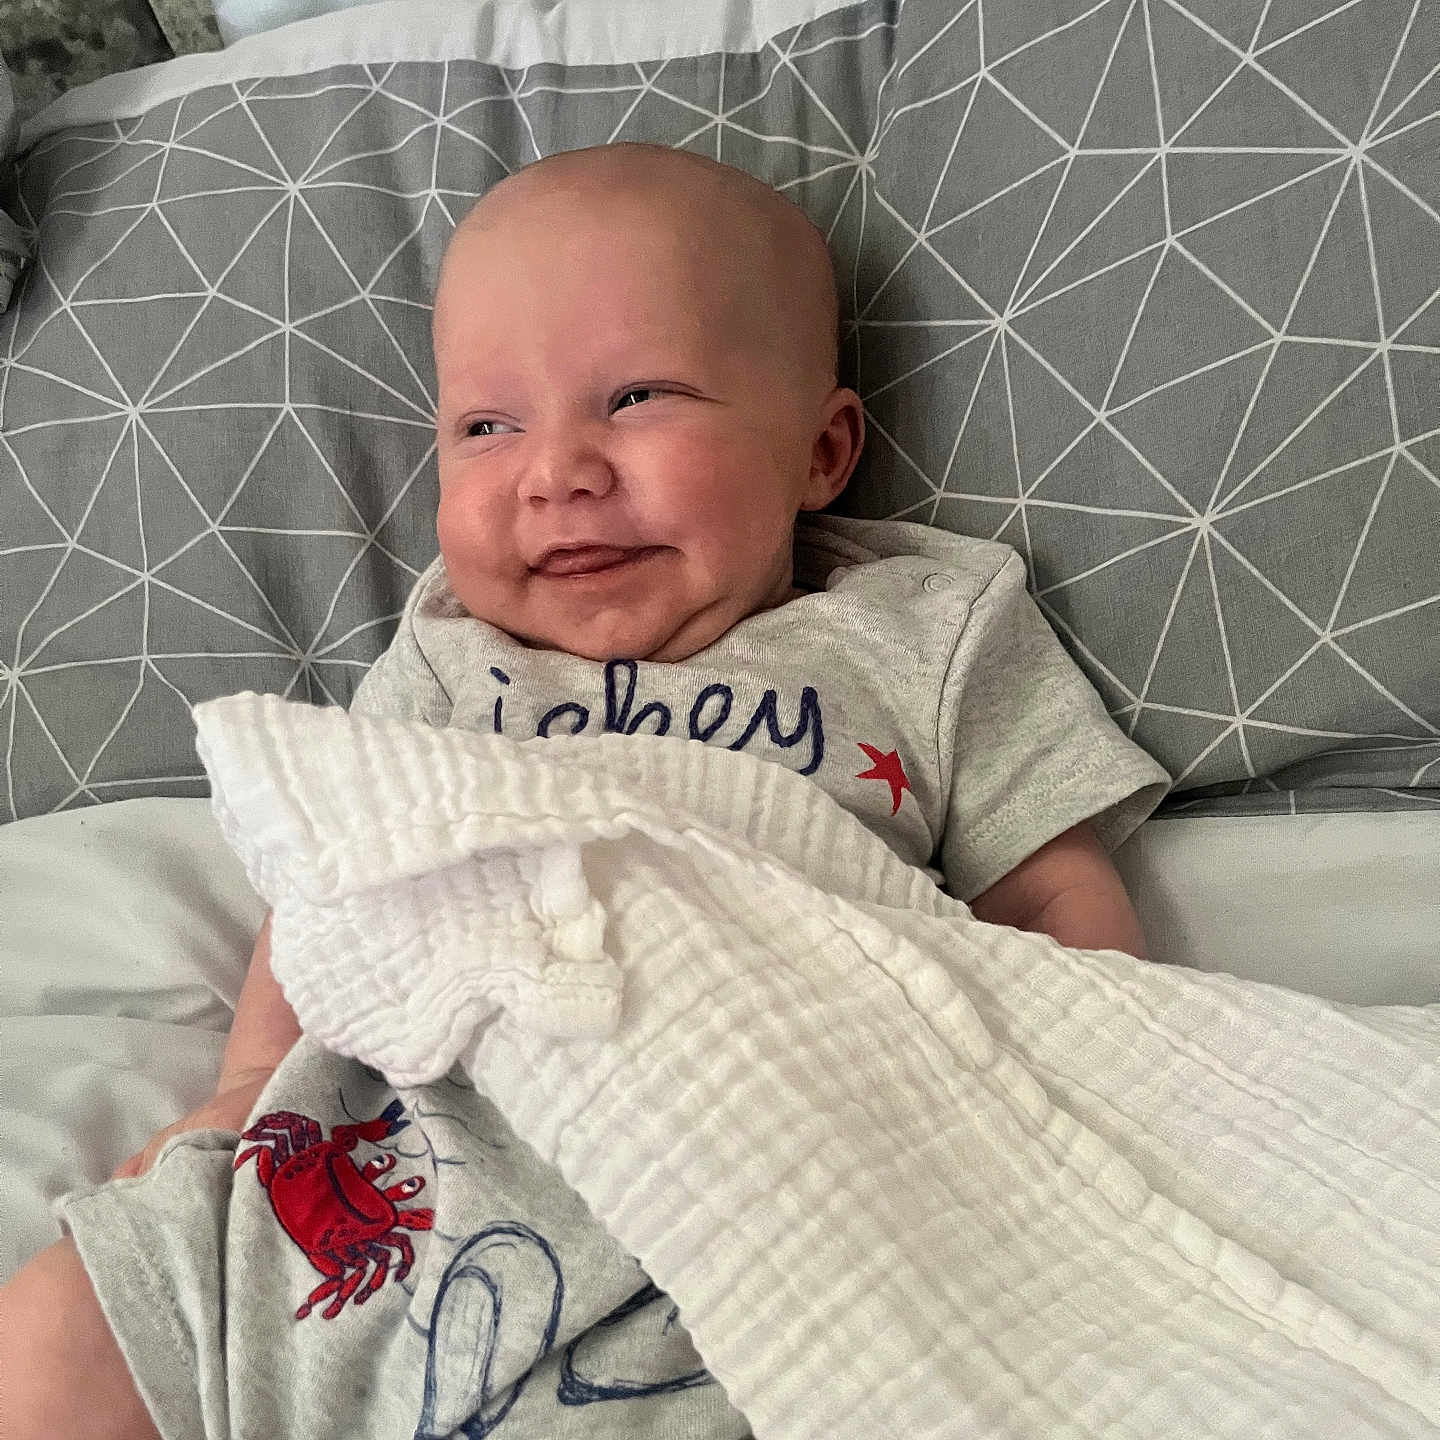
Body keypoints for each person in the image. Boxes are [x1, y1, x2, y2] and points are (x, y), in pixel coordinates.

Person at [0, 142, 1170, 1440]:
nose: (556, 470)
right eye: (486, 427)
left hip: (777, 1138)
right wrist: (251, 1081)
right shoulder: (451, 654)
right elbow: (329, 872)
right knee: (63, 1330)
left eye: (639, 398)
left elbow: (1057, 888)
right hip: (415, 1138)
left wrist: (1076, 1110)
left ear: (824, 450)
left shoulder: (925, 629)